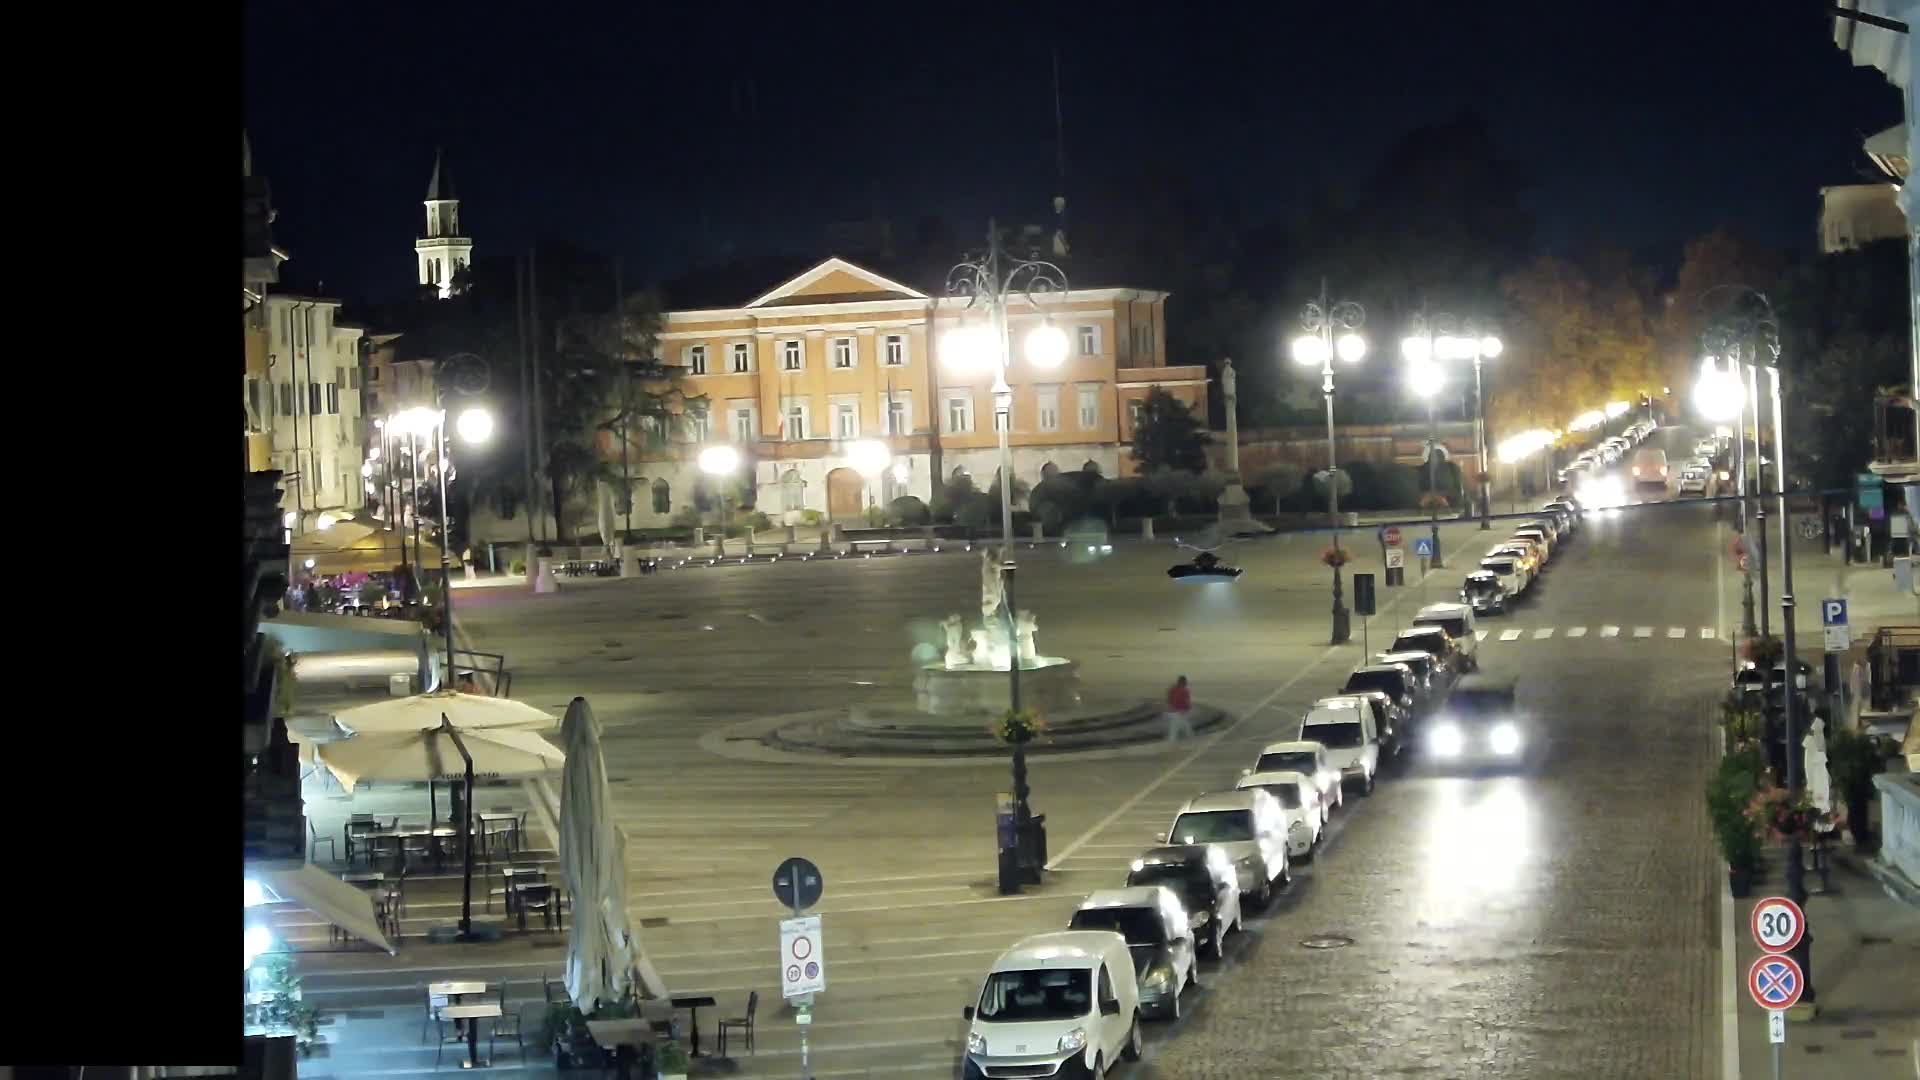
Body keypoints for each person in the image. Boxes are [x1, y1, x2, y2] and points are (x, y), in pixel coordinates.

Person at [1165, 675, 1194, 741]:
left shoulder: (1172, 689)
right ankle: (1191, 740)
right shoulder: (1184, 690)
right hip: (1180, 712)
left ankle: (1190, 739)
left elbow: (1169, 699)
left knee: (1179, 728)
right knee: (1181, 728)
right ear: (1183, 682)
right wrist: (1188, 708)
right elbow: (1186, 701)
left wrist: (1170, 707)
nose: (1186, 684)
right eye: (1185, 682)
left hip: (1173, 712)